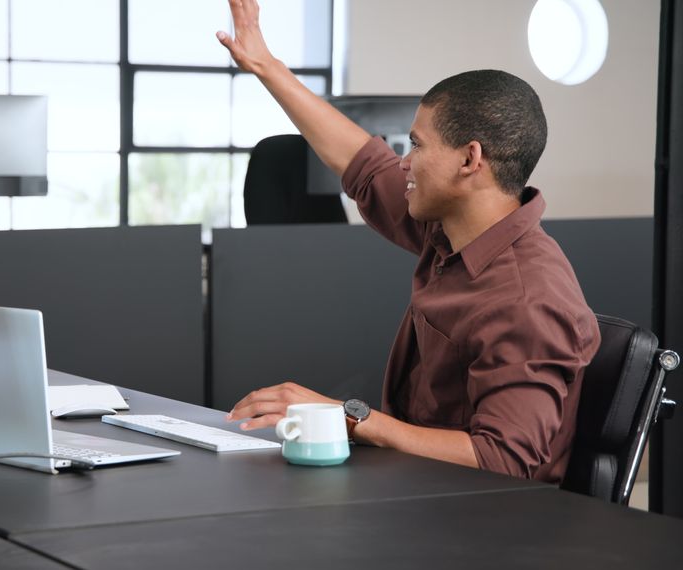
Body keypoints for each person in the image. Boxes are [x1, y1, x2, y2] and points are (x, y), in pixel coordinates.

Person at [217, 0, 600, 483]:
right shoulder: (452, 227)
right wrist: (266, 67)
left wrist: (351, 417)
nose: (404, 160)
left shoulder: (527, 299)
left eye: (417, 145)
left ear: (469, 160)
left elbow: (503, 461)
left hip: (478, 528)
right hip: (415, 491)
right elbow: (363, 164)